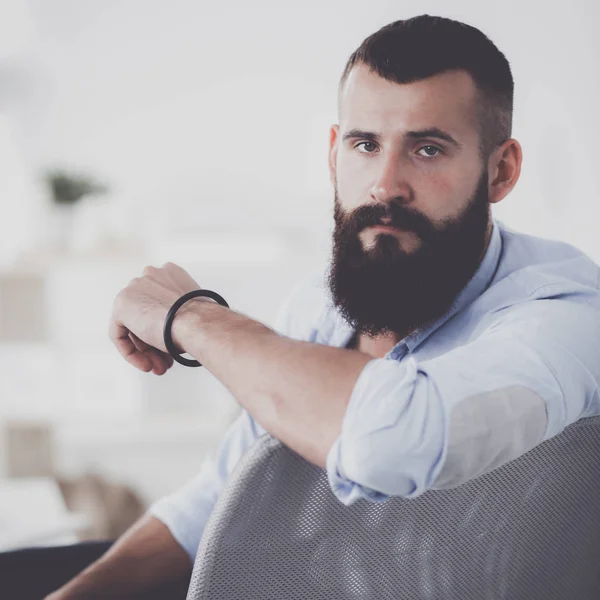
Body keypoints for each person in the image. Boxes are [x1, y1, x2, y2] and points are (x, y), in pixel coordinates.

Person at [5, 13, 599, 599]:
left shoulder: (565, 312)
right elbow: (211, 500)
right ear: (335, 152)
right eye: (366, 144)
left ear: (501, 170)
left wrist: (192, 316)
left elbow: (397, 438)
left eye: (427, 150)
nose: (385, 184)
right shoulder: (318, 304)